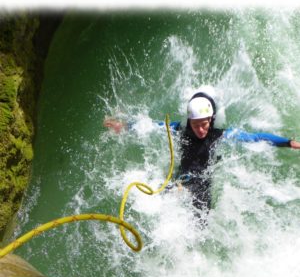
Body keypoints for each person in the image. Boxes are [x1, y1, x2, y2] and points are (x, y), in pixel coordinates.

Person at [104, 87, 300, 215]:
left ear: (211, 120)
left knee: (200, 226)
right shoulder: (180, 129)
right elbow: (150, 125)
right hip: (183, 178)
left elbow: (256, 137)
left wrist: (288, 142)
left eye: (204, 124)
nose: (200, 129)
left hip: (203, 182)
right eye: (195, 124)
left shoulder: (220, 135)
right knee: (159, 207)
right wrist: (125, 126)